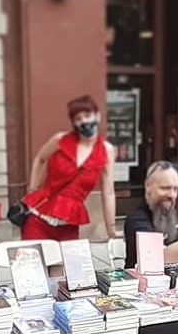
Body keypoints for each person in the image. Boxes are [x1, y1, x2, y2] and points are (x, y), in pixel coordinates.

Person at [21, 95, 118, 242]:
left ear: (97, 116)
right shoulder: (60, 140)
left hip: (68, 226)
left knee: (70, 258)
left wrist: (111, 229)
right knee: (31, 257)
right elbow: (41, 158)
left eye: (87, 115)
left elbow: (108, 193)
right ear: (73, 123)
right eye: (78, 118)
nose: (84, 121)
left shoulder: (106, 150)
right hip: (38, 219)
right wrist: (32, 190)